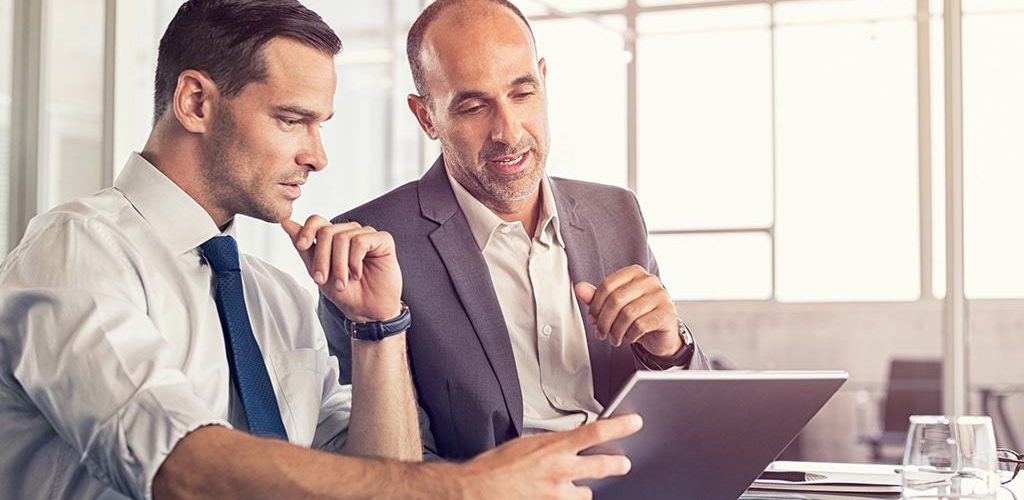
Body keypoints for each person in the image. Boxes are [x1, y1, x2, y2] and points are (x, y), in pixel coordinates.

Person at [0, 1, 640, 498]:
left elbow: (375, 479)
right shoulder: (77, 252)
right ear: (196, 102)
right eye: (291, 119)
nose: (318, 155)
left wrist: (379, 326)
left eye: (321, 125)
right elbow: (180, 469)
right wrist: (468, 486)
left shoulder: (271, 295)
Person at [324, 0, 712, 462]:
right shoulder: (370, 244)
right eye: (472, 106)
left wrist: (668, 345)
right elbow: (379, 464)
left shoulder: (617, 211)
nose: (508, 132)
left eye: (522, 93)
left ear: (544, 81)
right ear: (426, 116)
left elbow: (693, 422)